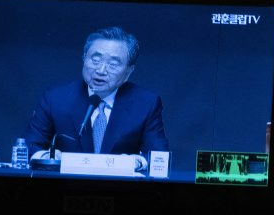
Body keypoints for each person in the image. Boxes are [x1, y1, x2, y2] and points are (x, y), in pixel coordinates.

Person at [24, 26, 169, 170]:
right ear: (84, 58)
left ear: (128, 71)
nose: (101, 70)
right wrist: (48, 157)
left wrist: (136, 162)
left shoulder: (146, 103)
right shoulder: (55, 99)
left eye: (113, 64)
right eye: (95, 60)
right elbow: (29, 146)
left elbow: (159, 157)